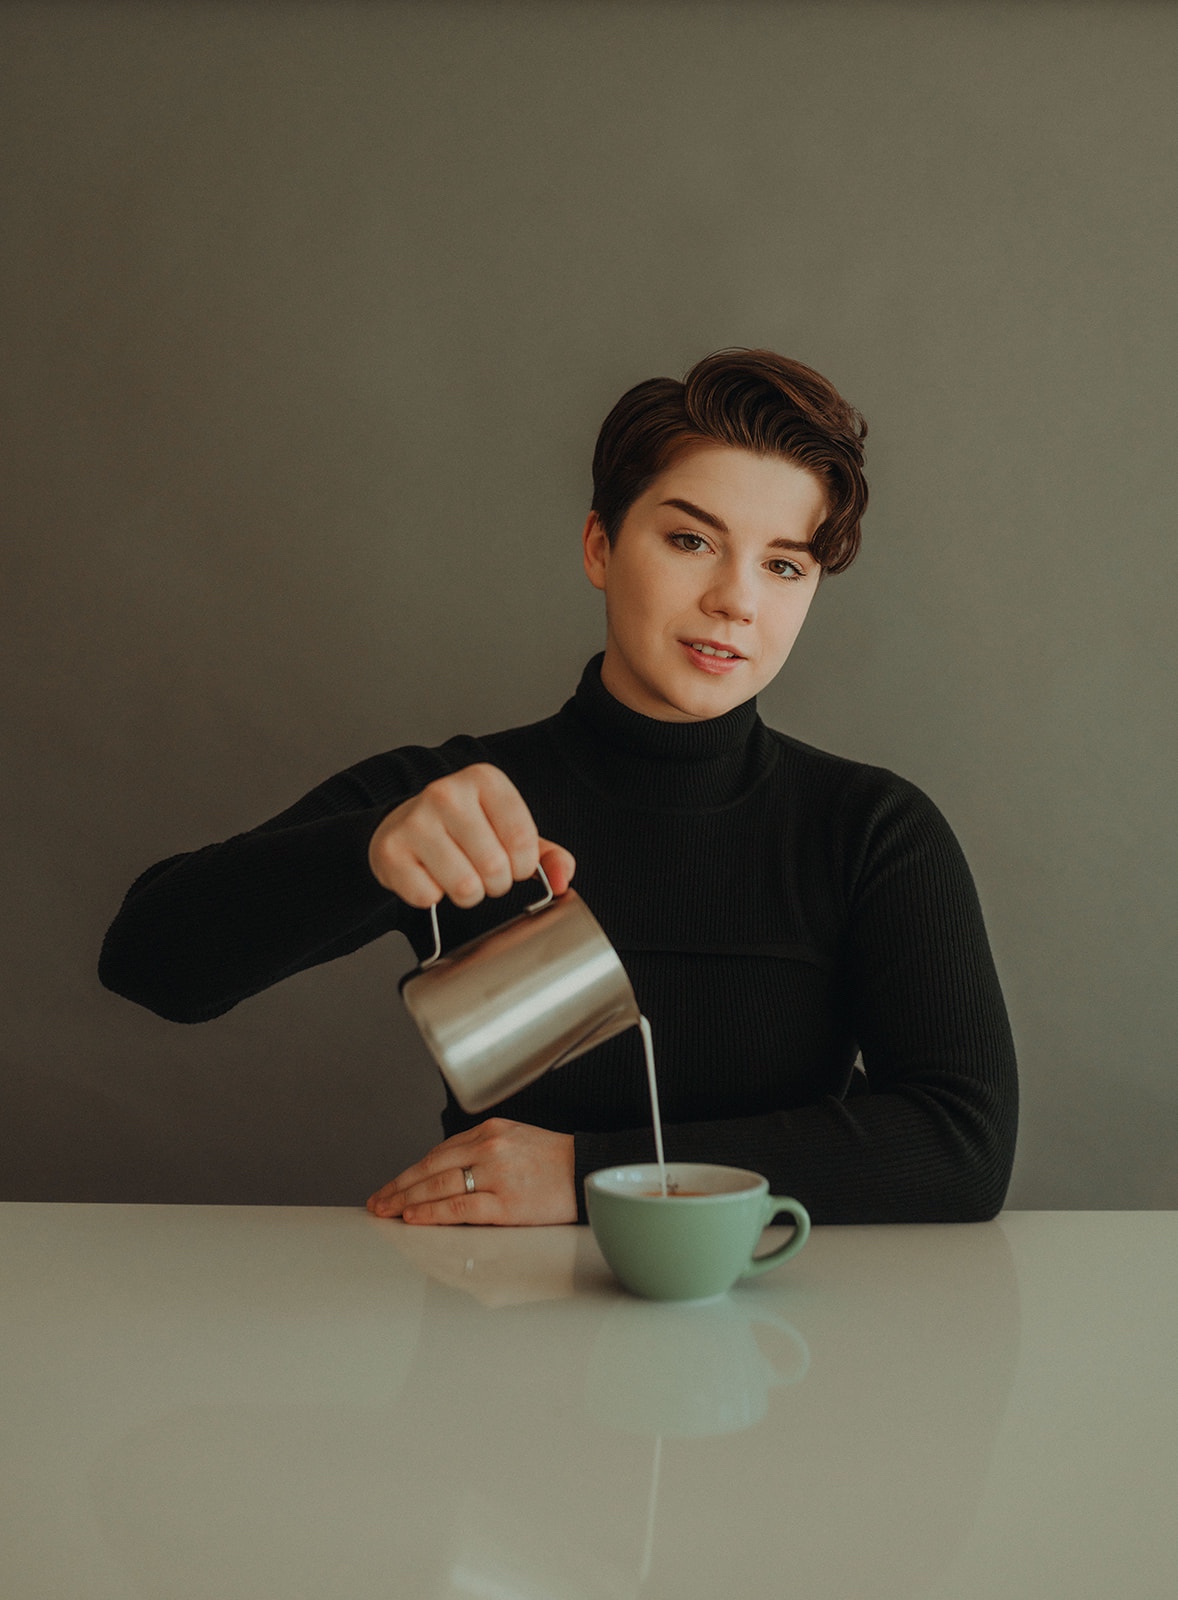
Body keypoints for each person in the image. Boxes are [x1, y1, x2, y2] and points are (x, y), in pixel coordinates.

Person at [99, 349, 1018, 1227]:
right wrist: (370, 850)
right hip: (495, 1328)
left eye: (784, 564)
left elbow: (963, 1144)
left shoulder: (871, 830)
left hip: (785, 1340)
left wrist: (590, 1177)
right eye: (692, 539)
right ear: (599, 546)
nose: (737, 598)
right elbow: (150, 965)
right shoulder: (453, 801)